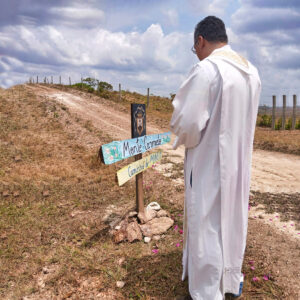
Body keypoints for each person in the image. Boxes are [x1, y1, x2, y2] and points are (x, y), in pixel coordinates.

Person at [170, 16, 261, 300]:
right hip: (238, 162)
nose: (196, 53)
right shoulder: (251, 72)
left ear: (200, 41)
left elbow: (187, 122)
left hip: (209, 161)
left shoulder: (207, 70)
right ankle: (230, 281)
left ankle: (207, 292)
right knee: (232, 220)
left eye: (194, 47)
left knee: (206, 223)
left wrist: (183, 138)